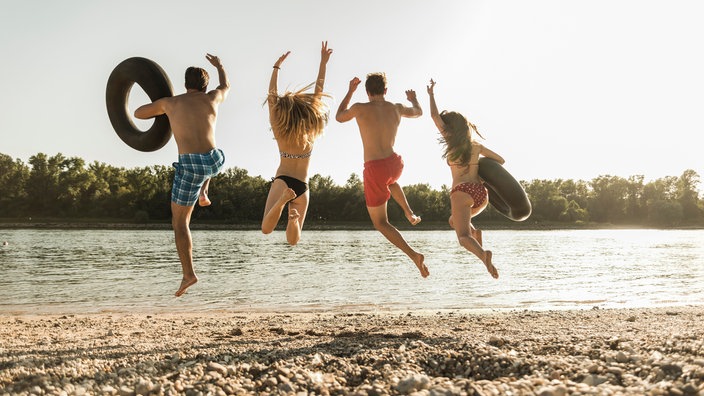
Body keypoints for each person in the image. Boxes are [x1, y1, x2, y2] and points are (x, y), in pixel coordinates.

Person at [134, 54, 230, 296]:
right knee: (211, 160)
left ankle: (189, 274)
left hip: (190, 165)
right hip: (214, 160)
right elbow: (226, 86)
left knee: (179, 223)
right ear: (204, 86)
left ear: (185, 84)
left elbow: (138, 113)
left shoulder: (171, 103)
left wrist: (162, 105)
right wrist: (219, 66)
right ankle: (204, 191)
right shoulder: (212, 99)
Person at [336, 72, 428, 278]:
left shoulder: (360, 108)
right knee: (392, 181)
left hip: (374, 168)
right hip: (394, 163)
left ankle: (414, 255)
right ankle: (409, 212)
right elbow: (419, 112)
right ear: (385, 91)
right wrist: (413, 99)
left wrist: (350, 91)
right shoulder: (396, 108)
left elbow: (339, 116)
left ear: (367, 92)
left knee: (380, 223)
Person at [426, 79, 503, 279]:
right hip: (481, 195)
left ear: (451, 128)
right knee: (454, 220)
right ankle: (476, 234)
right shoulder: (477, 146)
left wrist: (431, 94)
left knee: (462, 237)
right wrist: (481, 171)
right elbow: (500, 161)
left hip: (462, 193)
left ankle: (482, 253)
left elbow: (434, 116)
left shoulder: (452, 143)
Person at [261, 42, 333, 245]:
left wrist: (276, 68)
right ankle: (292, 220)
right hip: (303, 185)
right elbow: (318, 93)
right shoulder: (310, 129)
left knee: (266, 229)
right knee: (293, 240)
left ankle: (283, 202)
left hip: (283, 180)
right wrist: (323, 62)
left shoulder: (279, 129)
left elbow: (272, 97)